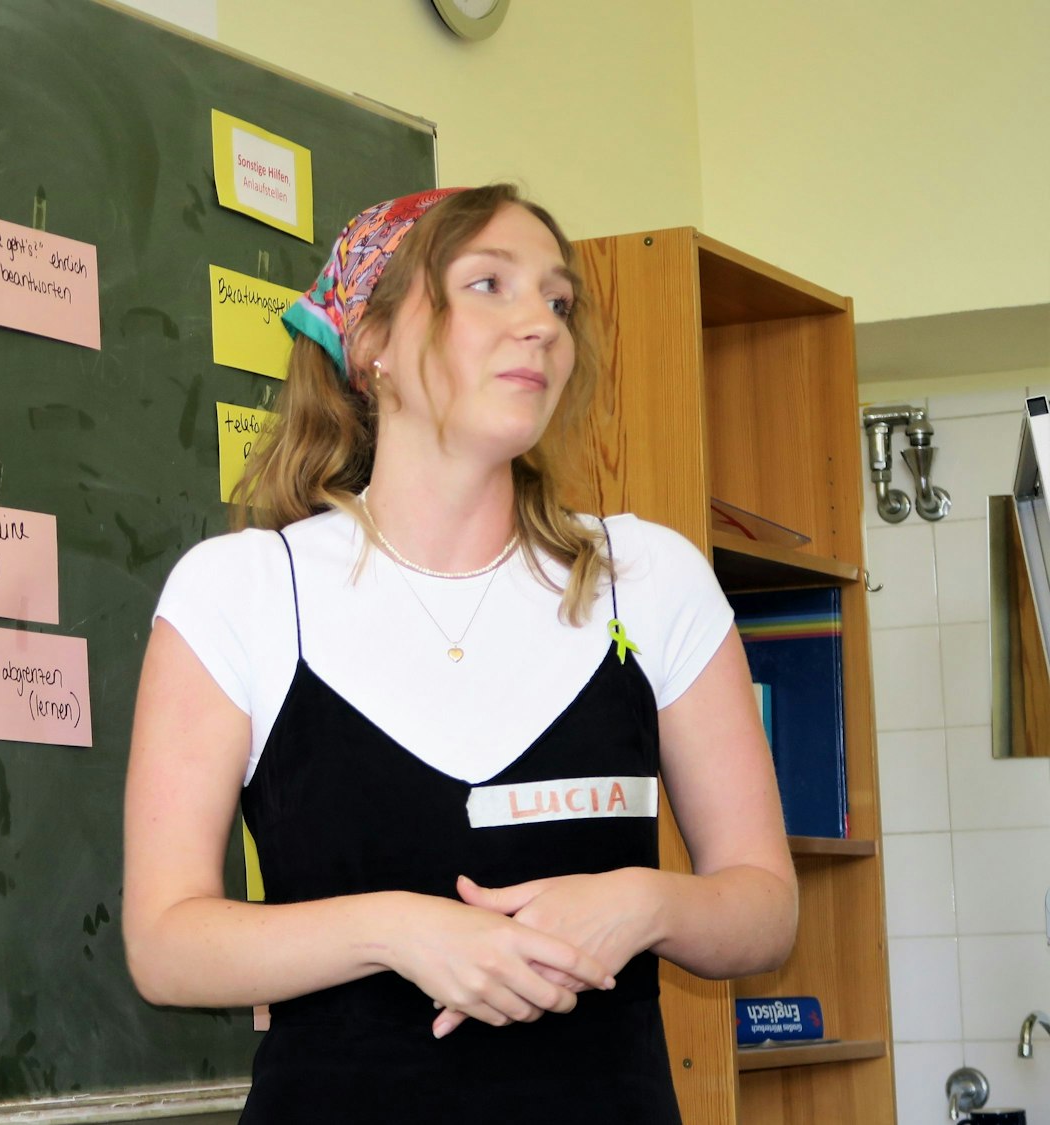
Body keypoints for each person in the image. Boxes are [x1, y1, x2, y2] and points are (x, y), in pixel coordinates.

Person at [121, 185, 798, 1121]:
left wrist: (645, 902)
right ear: (372, 344)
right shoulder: (242, 590)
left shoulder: (648, 577)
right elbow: (166, 944)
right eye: (489, 284)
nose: (541, 326)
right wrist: (399, 930)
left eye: (557, 302)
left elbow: (765, 906)